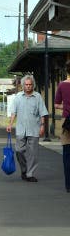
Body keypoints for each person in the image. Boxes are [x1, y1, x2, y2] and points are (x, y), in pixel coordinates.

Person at [6, 74, 48, 182]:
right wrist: (10, 124)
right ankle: (24, 170)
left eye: (30, 84)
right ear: (23, 85)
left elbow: (42, 113)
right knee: (19, 151)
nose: (28, 86)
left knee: (33, 154)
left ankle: (30, 174)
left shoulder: (37, 97)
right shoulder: (18, 97)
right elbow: (13, 112)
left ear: (32, 85)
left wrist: (42, 126)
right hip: (21, 129)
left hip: (34, 129)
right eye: (26, 84)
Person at [56, 62, 70, 193]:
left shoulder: (62, 85)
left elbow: (56, 105)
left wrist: (65, 105)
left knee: (67, 154)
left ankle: (68, 185)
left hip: (67, 121)